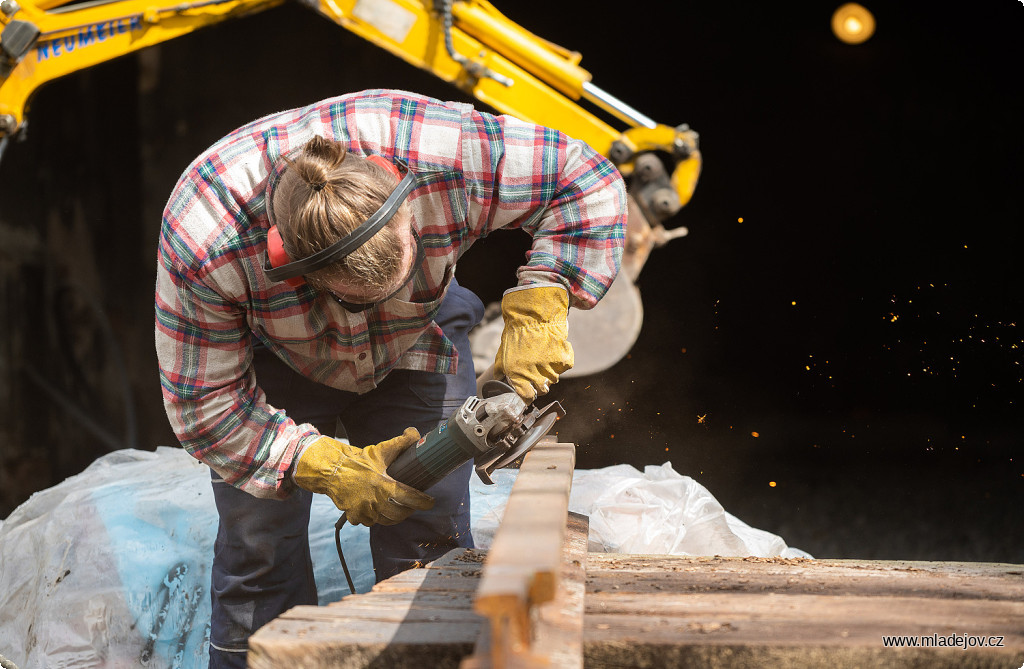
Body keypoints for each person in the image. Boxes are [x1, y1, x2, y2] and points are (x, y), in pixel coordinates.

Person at [154, 89, 625, 668]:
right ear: (291, 263)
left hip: (420, 335)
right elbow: (206, 408)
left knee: (430, 529)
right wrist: (317, 463)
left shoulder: (446, 153)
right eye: (362, 300)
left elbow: (587, 180)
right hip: (279, 351)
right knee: (259, 546)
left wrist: (546, 295)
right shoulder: (207, 238)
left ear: (409, 200)